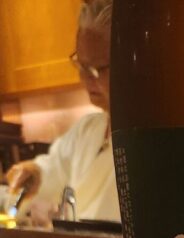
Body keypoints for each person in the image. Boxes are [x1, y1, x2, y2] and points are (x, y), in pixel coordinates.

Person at [7, 0, 119, 225]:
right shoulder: (87, 129)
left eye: (97, 68)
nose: (85, 78)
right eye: (81, 65)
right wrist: (35, 173)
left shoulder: (148, 140)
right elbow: (54, 168)